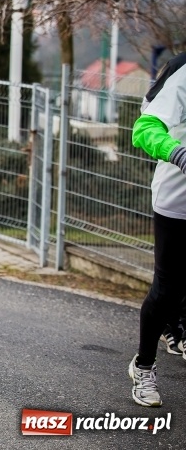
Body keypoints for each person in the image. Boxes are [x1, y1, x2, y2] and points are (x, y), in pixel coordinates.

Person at [129, 50, 186, 407]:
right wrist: (179, 154)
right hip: (178, 202)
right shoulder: (184, 73)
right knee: (167, 288)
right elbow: (144, 129)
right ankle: (144, 366)